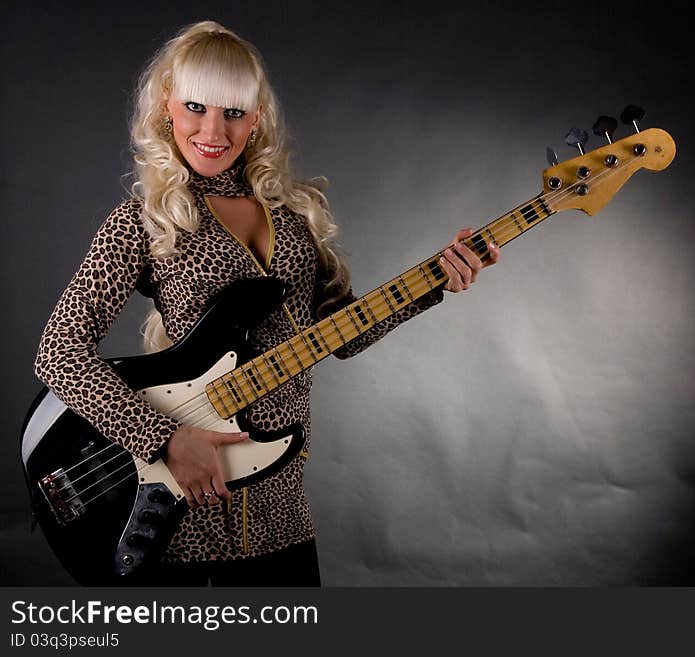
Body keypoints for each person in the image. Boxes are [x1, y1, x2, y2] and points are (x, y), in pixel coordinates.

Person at [33, 20, 499, 586]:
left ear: (256, 119)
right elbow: (58, 353)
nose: (212, 130)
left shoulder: (296, 218)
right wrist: (164, 439)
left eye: (233, 112)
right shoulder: (142, 222)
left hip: (281, 510)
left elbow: (341, 333)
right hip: (182, 513)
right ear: (166, 107)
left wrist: (436, 283)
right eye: (196, 106)